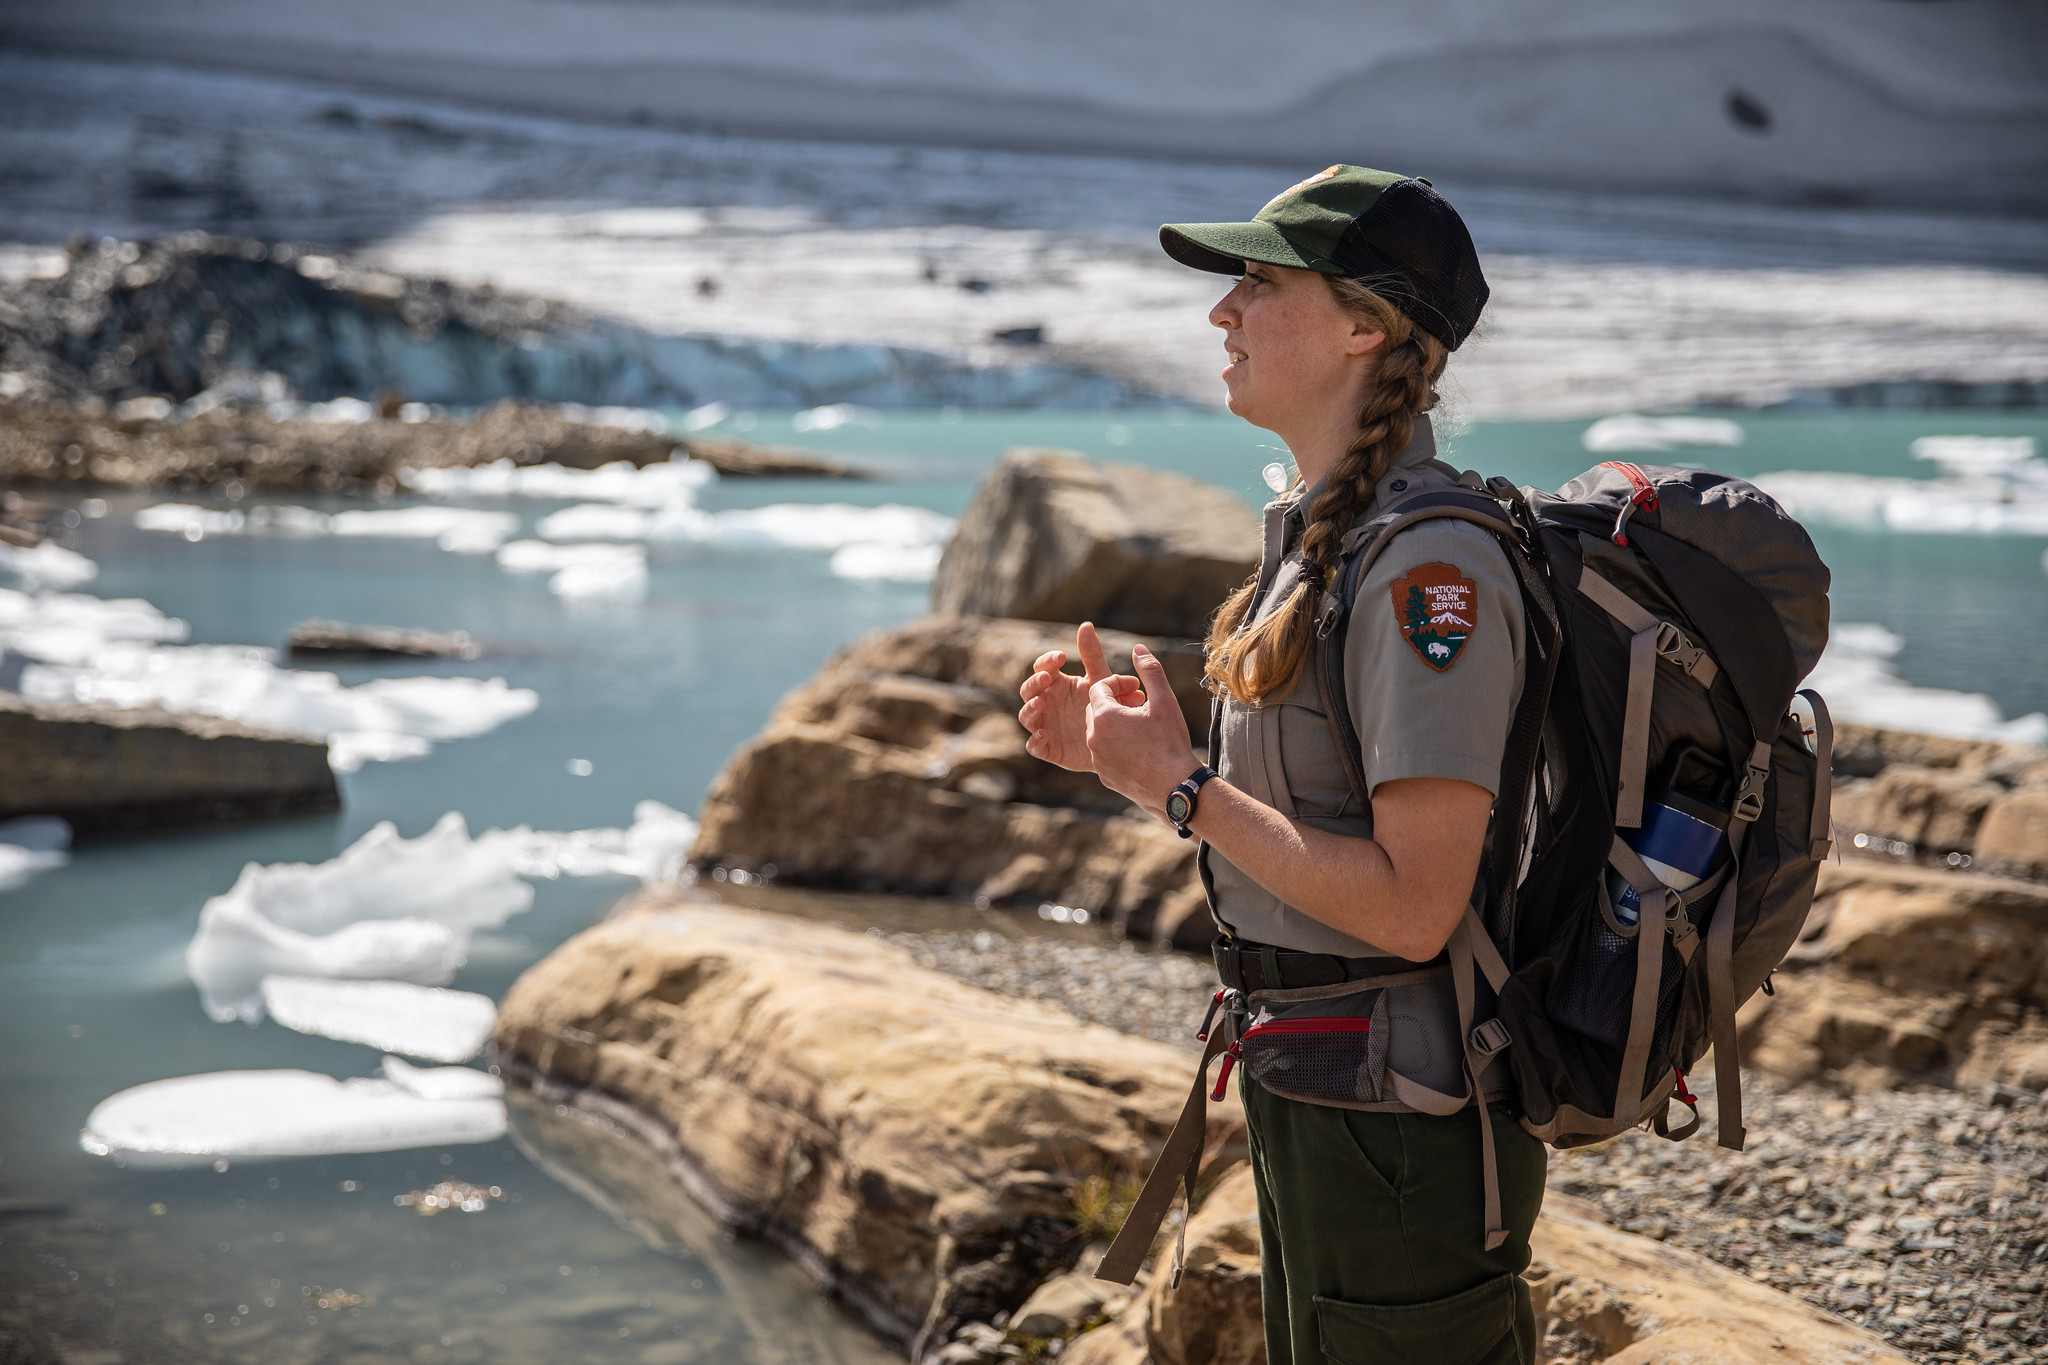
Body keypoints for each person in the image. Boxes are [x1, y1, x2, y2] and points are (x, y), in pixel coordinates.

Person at [1014, 165, 1546, 1364]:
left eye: (1257, 283)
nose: (1221, 314)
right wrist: (1121, 758)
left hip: (1404, 1119)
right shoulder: (1322, 543)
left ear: (1365, 326)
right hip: (1316, 1080)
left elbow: (1413, 908)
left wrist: (1179, 787)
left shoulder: (1428, 574)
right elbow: (1304, 827)